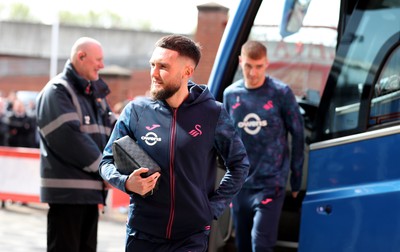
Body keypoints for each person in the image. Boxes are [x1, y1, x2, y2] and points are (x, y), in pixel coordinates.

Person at [99, 34, 250, 252]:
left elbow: (239, 165)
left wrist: (212, 208)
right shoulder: (136, 111)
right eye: (152, 65)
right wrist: (126, 183)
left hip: (190, 237)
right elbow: (106, 161)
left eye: (163, 67)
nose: (153, 73)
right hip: (142, 233)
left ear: (187, 72)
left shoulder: (213, 113)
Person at [222, 40, 305, 252]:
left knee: (261, 244)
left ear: (266, 64)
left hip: (271, 183)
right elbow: (225, 137)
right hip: (241, 184)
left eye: (258, 66)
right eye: (248, 65)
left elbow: (297, 134)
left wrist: (295, 180)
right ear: (241, 62)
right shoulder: (231, 95)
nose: (253, 72)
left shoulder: (281, 93)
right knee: (242, 243)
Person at [36, 37, 116, 252]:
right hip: (68, 194)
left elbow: (115, 131)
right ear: (81, 57)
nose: (102, 65)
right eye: (98, 59)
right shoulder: (57, 91)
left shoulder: (95, 95)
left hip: (89, 193)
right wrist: (106, 170)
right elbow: (70, 138)